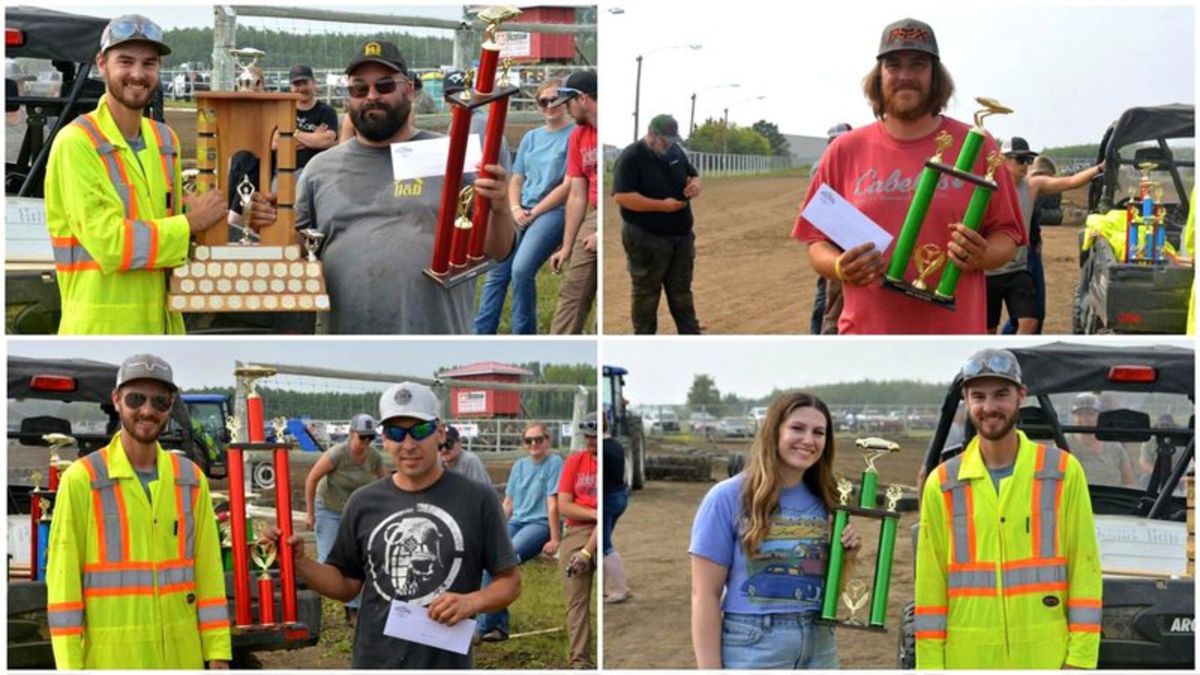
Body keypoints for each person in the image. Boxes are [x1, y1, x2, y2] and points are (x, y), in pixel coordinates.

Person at [246, 40, 516, 334]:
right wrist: (270, 223)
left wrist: (500, 207)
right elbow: (298, 250)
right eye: (359, 89)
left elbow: (497, 249)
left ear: (409, 90)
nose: (371, 97)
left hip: (436, 333)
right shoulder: (320, 170)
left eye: (384, 86)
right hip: (349, 339)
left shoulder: (452, 157)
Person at [263, 382, 520, 668]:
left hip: (445, 662)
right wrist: (301, 563)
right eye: (396, 433)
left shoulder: (477, 499)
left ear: (440, 433)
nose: (408, 445)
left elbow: (509, 581)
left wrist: (472, 602)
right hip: (375, 658)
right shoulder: (363, 502)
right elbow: (347, 584)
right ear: (384, 439)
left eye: (420, 430)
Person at [792, 18, 1024, 334]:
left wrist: (984, 254)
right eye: (894, 65)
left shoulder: (978, 145)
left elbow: (1007, 235)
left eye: (917, 65)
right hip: (866, 333)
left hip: (954, 332)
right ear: (879, 75)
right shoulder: (845, 150)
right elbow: (817, 242)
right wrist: (838, 266)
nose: (905, 76)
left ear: (935, 75)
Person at [915, 348, 1101, 669]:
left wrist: (1081, 660)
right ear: (966, 400)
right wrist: (930, 666)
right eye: (979, 396)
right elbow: (930, 586)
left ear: (1021, 396)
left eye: (1001, 394)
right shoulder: (943, 483)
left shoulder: (1062, 472)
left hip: (1046, 659)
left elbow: (1084, 567)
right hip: (968, 659)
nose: (989, 407)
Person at [45, 14, 226, 334]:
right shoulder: (77, 143)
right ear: (102, 64)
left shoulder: (164, 139)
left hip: (162, 322)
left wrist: (244, 214)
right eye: (125, 62)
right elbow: (110, 243)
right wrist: (191, 222)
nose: (138, 74)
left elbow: (167, 216)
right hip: (101, 327)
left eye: (149, 63)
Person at [47, 354, 230, 668]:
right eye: (136, 399)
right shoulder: (83, 480)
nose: (147, 410)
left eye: (159, 402)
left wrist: (218, 655)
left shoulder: (191, 480)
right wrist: (68, 666)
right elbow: (63, 583)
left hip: (181, 660)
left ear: (170, 406)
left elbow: (209, 575)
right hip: (112, 661)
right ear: (116, 400)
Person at [690, 392, 861, 669]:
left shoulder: (828, 498)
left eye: (819, 432)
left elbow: (828, 587)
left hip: (819, 641)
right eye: (797, 428)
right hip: (753, 643)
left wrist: (845, 554)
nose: (809, 440)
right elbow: (704, 593)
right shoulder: (727, 497)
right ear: (774, 431)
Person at [474, 79, 575, 334]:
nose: (550, 105)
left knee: (521, 270)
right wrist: (515, 208)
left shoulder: (575, 136)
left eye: (555, 100)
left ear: (566, 101)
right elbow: (516, 178)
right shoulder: (531, 137)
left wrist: (533, 212)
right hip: (522, 209)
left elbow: (568, 185)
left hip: (552, 210)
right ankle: (482, 332)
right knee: (498, 272)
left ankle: (524, 333)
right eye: (544, 101)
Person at [988, 138, 1103, 333]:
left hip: (1018, 268)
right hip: (988, 269)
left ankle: (1018, 356)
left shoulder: (1032, 185)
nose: (1026, 165)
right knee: (988, 329)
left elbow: (1070, 182)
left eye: (1029, 160)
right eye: (1021, 159)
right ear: (1003, 159)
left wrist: (1099, 168)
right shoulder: (987, 185)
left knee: (1030, 320)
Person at [613, 114, 703, 334]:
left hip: (681, 235)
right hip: (646, 236)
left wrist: (695, 185)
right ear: (652, 134)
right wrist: (661, 206)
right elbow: (622, 196)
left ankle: (690, 333)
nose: (669, 145)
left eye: (672, 140)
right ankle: (644, 335)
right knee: (646, 292)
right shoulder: (631, 156)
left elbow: (693, 175)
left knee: (681, 291)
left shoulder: (675, 152)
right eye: (665, 140)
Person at [477, 422, 565, 642]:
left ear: (547, 441)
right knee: (489, 559)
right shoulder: (519, 465)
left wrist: (555, 538)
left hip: (540, 523)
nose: (533, 444)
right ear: (523, 444)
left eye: (538, 440)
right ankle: (498, 626)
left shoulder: (554, 463)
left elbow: (552, 502)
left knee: (504, 561)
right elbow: (508, 503)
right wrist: (494, 530)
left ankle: (483, 627)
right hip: (517, 521)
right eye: (529, 440)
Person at [303, 413, 386, 624]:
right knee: (328, 557)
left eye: (370, 438)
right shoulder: (337, 454)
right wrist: (310, 513)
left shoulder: (374, 456)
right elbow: (312, 479)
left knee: (358, 558)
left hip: (355, 512)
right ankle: (317, 603)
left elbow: (385, 482)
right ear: (351, 434)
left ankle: (353, 608)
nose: (366, 442)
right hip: (329, 507)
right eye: (362, 437)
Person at [548, 69, 599, 335]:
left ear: (581, 99)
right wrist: (567, 247)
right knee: (572, 291)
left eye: (567, 102)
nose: (565, 110)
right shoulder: (578, 136)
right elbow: (578, 194)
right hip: (593, 212)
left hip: (620, 215)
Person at [558, 412, 599, 668]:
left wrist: (590, 550)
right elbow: (564, 505)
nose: (590, 441)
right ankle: (579, 660)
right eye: (587, 436)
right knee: (577, 599)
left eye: (594, 437)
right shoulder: (575, 461)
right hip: (579, 529)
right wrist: (595, 513)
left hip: (605, 529)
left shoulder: (614, 462)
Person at [810, 123, 853, 335]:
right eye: (834, 140)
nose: (837, 143)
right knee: (830, 294)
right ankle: (822, 332)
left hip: (851, 237)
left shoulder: (855, 162)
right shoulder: (824, 165)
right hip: (835, 240)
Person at [1065, 392, 1137, 487]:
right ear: (1073, 417)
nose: (1085, 419)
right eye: (1080, 414)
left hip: (1111, 500)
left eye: (1090, 414)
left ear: (1100, 416)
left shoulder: (1114, 446)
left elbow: (1130, 482)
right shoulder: (1064, 445)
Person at [602, 417, 632, 604]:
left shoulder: (601, 450)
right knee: (602, 544)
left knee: (604, 545)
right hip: (620, 495)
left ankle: (622, 588)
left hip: (607, 499)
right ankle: (603, 588)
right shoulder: (616, 445)